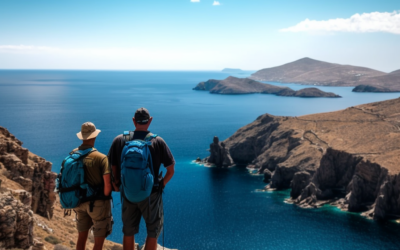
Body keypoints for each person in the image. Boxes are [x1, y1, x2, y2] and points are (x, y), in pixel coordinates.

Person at [108, 108, 175, 250]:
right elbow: (170, 170)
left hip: (128, 193)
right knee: (153, 230)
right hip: (151, 194)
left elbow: (113, 166)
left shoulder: (120, 140)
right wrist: (161, 184)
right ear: (150, 120)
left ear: (134, 121)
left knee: (128, 230)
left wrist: (117, 184)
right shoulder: (158, 141)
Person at [72, 122, 113, 250]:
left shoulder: (73, 154)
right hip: (98, 204)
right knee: (98, 243)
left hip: (78, 202)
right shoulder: (101, 158)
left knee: (81, 237)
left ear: (82, 137)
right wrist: (105, 200)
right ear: (94, 137)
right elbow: (107, 184)